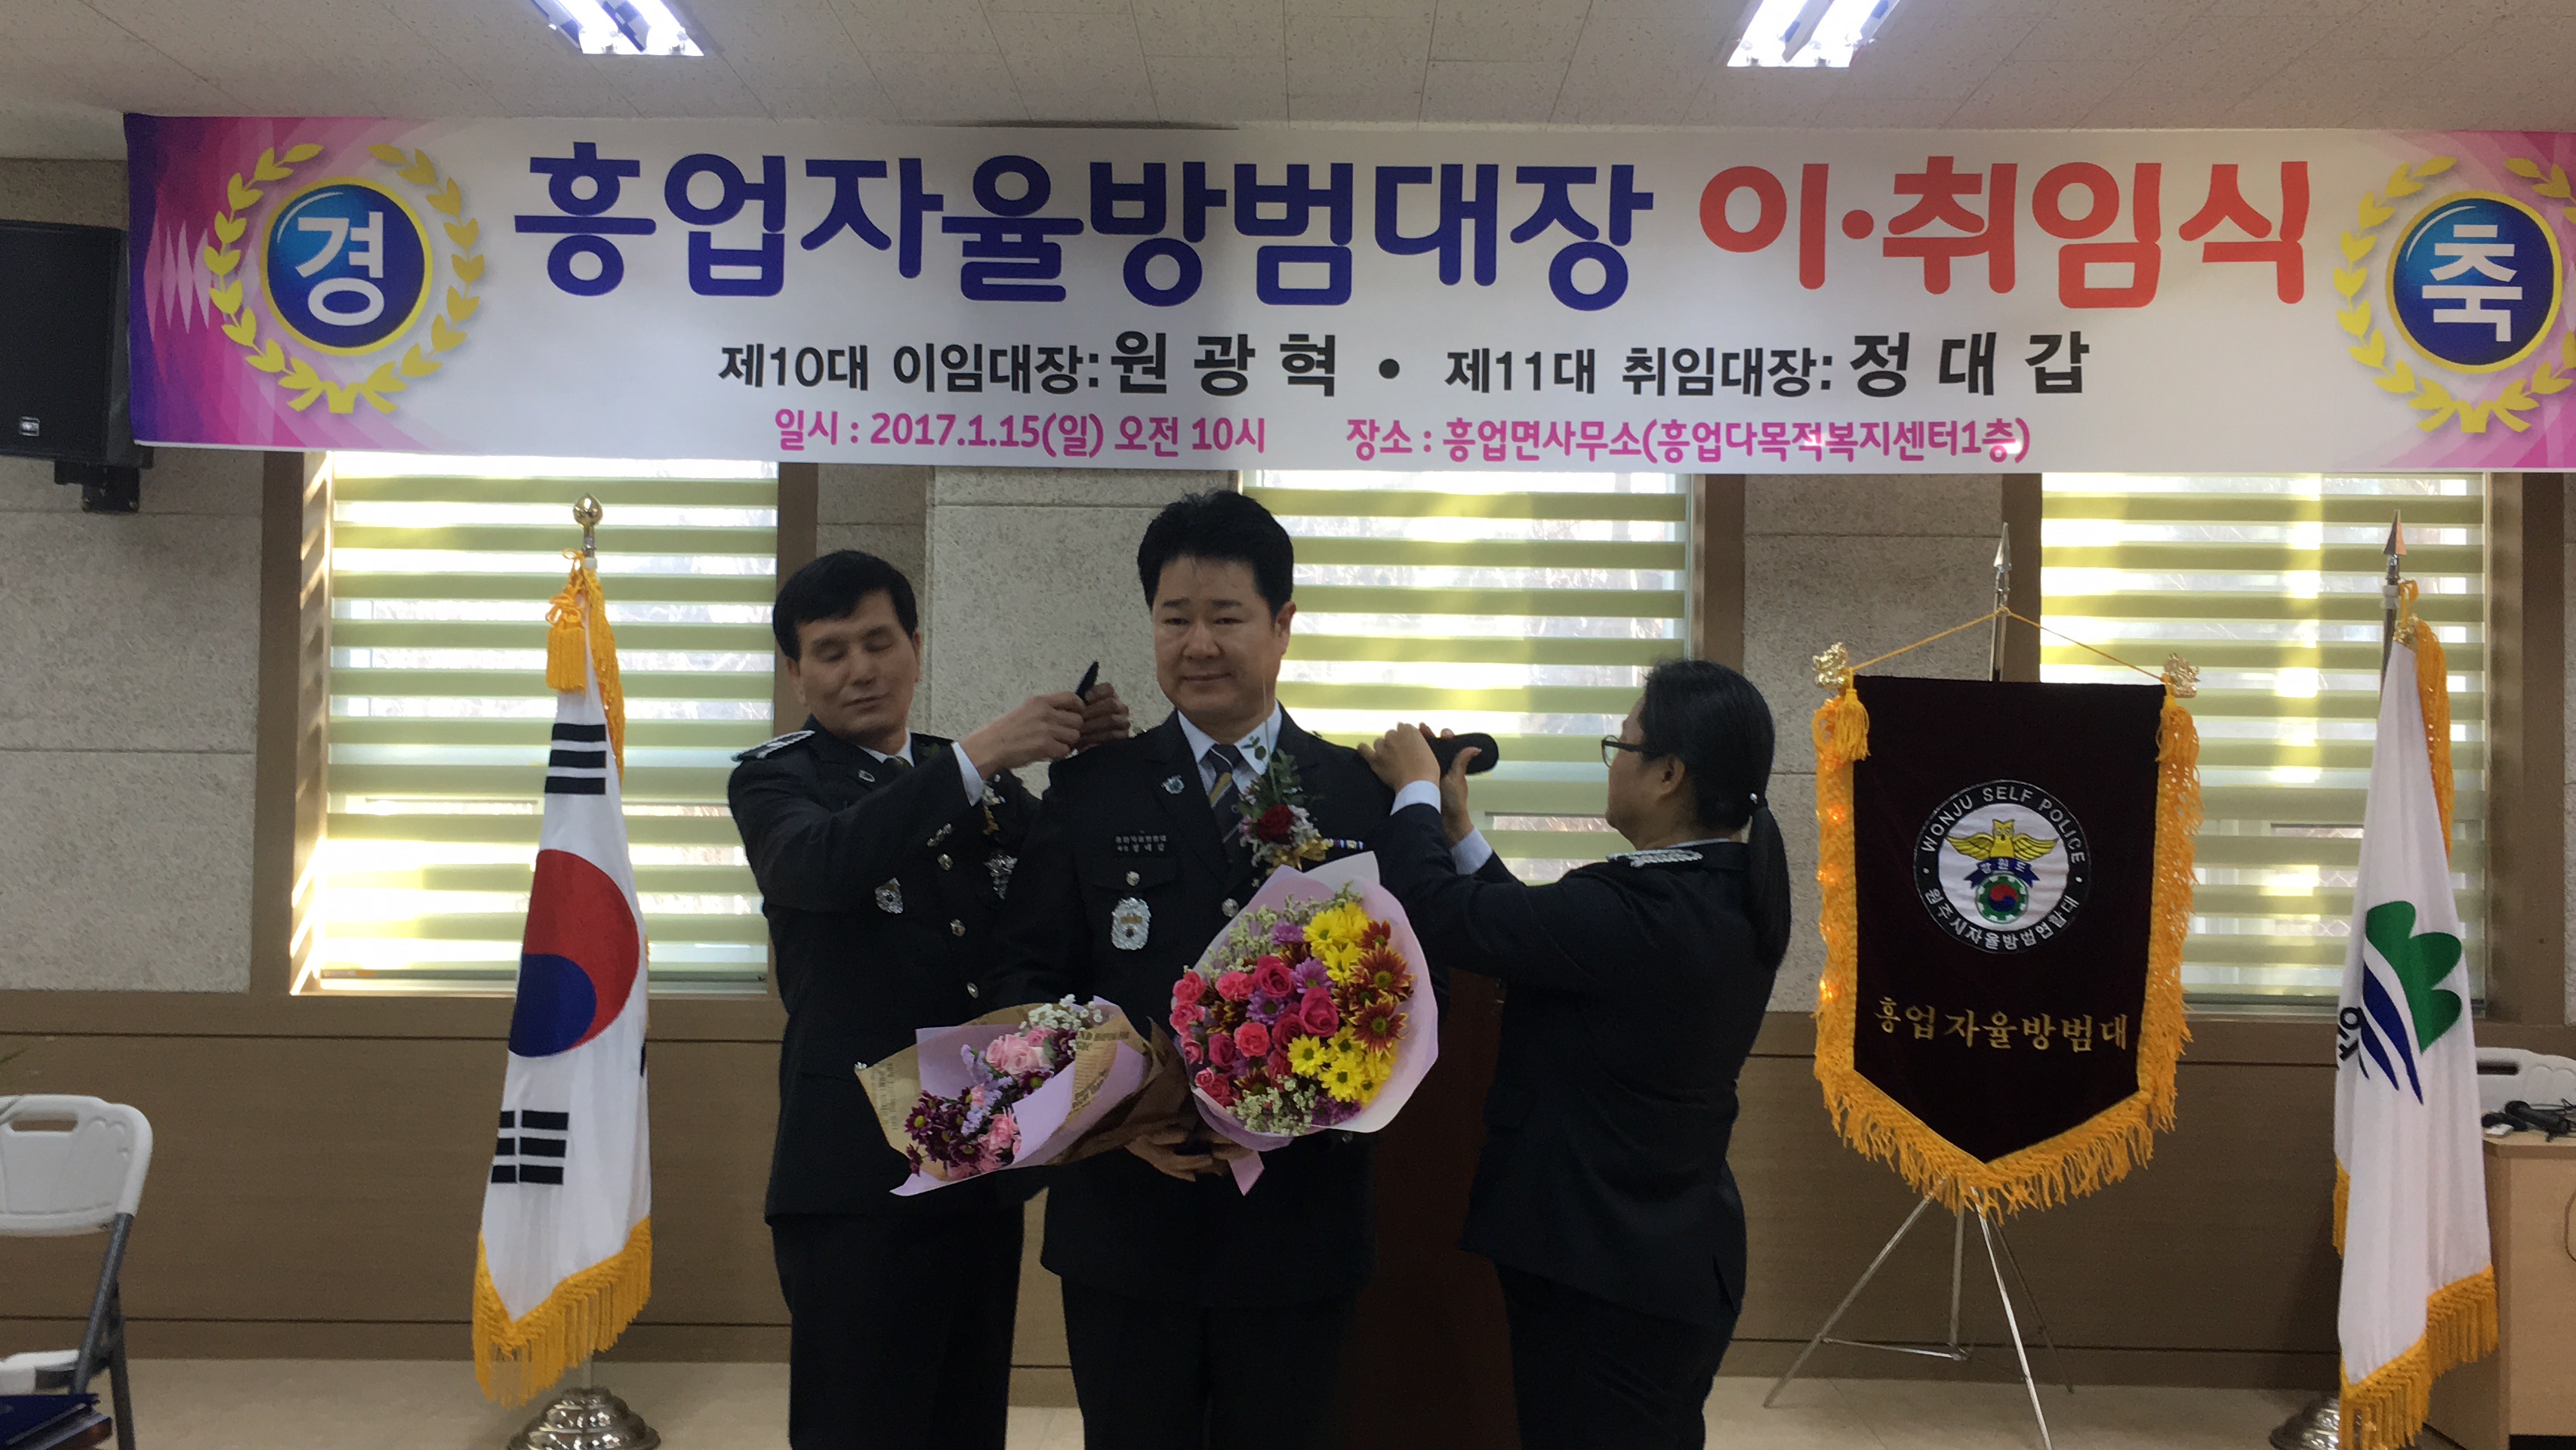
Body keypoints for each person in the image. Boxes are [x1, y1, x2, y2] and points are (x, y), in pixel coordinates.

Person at [984, 491, 1402, 1450]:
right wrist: (1113, 1117)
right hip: (1128, 1226)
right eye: (1175, 619)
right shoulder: (1091, 789)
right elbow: (1024, 976)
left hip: (1298, 1228)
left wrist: (1308, 1099)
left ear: (1282, 625)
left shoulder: (1357, 794)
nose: (1198, 644)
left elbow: (1416, 996)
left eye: (1226, 617)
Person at [727, 549, 1129, 1450]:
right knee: (858, 1424)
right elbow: (823, 866)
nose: (860, 669)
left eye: (879, 642)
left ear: (915, 645)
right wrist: (984, 754)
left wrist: (1098, 770)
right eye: (830, 652)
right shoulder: (777, 779)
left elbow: (1058, 904)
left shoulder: (974, 781)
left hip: (978, 1158)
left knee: (964, 1418)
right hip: (853, 1176)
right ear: (795, 671)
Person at [1357, 659, 1793, 1450]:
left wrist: (1414, 790)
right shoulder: (1715, 892)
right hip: (1657, 1258)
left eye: (1621, 745)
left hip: (1606, 1271)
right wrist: (1457, 831)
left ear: (1669, 774)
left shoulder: (1644, 911)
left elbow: (1442, 915)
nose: (1612, 762)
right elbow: (1537, 934)